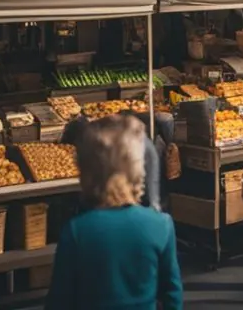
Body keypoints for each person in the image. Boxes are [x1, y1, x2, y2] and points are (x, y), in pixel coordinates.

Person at [46, 114, 181, 310]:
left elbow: (59, 300)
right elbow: (172, 294)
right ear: (138, 169)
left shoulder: (77, 231)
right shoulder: (161, 225)